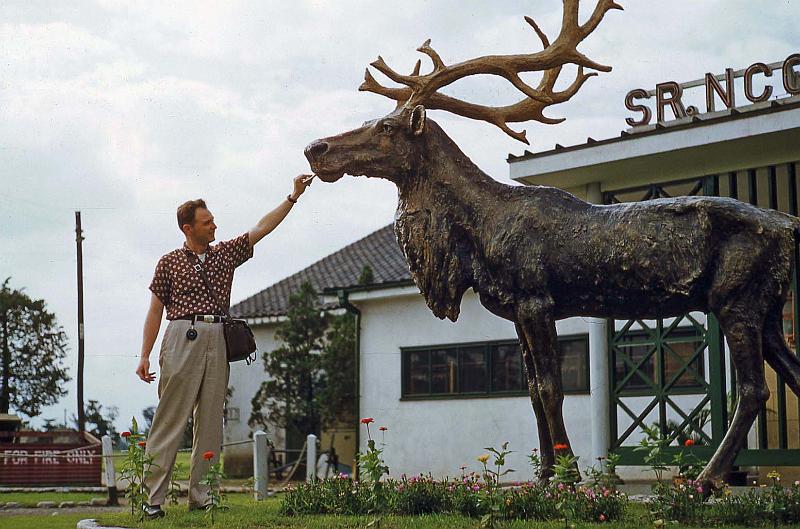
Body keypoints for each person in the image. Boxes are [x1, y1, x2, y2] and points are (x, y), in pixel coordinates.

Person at [135, 174, 313, 518]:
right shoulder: (168, 262)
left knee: (211, 421)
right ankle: (152, 500)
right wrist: (144, 354)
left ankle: (203, 497)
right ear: (188, 228)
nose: (214, 225)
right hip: (182, 334)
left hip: (218, 336)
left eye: (213, 220)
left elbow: (261, 228)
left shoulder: (225, 254)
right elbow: (155, 311)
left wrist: (293, 196)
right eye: (207, 222)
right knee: (170, 419)